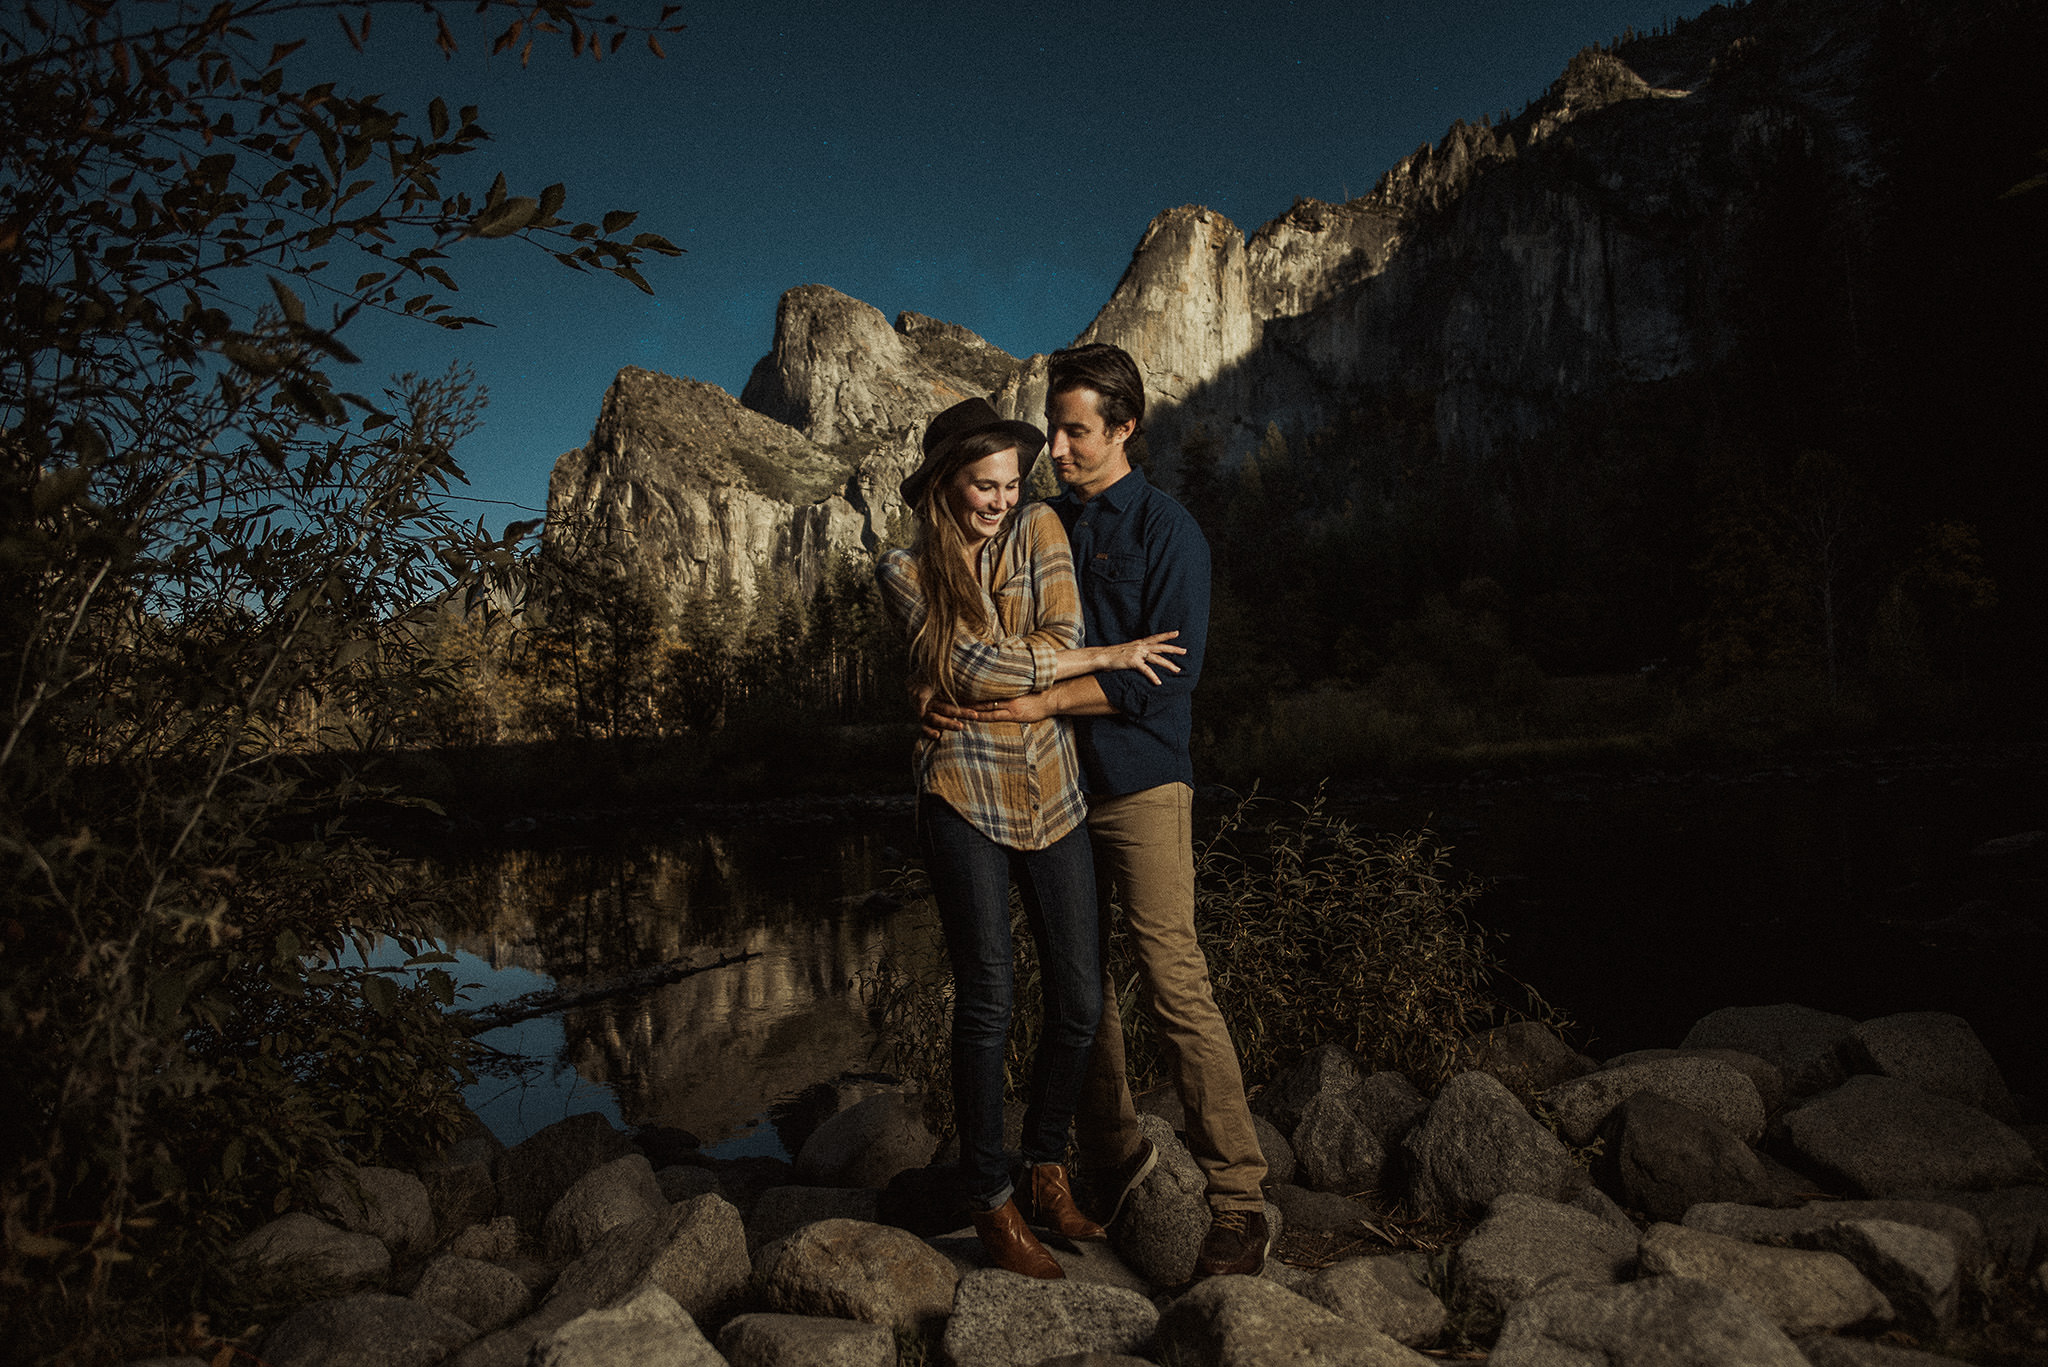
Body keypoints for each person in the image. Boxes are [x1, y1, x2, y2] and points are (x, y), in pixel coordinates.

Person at [930, 344, 1271, 1277]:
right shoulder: (1036, 523)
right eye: (1054, 426)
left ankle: (1240, 1197)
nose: (1058, 445)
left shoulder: (1169, 531)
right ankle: (1115, 1159)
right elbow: (980, 627)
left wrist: (1039, 700)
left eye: (1075, 429)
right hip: (1051, 790)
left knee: (1171, 974)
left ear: (1124, 429)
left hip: (1143, 783)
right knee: (1084, 992)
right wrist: (942, 684)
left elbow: (1163, 681)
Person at [876, 395, 1186, 1280]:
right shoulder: (900, 569)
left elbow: (1053, 633)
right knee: (987, 999)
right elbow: (969, 667)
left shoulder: (1043, 526)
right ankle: (990, 1199)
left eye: (1011, 482)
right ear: (943, 486)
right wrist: (1101, 661)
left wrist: (1046, 657)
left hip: (1052, 791)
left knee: (1082, 997)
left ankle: (1045, 1164)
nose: (1001, 499)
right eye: (983, 484)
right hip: (960, 791)